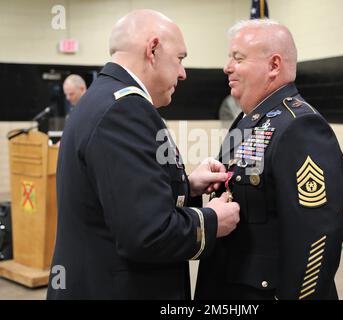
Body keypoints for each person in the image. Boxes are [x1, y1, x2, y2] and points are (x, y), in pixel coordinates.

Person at [47, 10, 240, 300]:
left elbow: (122, 200)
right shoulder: (125, 110)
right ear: (152, 50)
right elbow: (148, 235)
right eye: (180, 58)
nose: (183, 73)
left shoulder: (101, 98)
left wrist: (188, 185)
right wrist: (211, 220)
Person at [195, 19, 343, 300]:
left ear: (274, 65)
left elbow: (316, 235)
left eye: (237, 58)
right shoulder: (248, 120)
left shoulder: (300, 127)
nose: (226, 67)